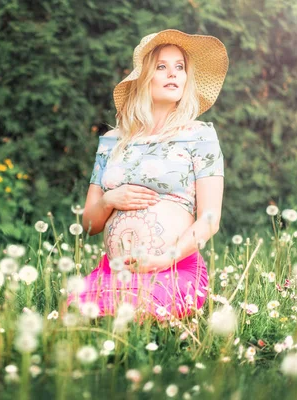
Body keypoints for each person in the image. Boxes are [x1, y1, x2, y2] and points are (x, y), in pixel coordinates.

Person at [67, 29, 229, 321]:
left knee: (139, 314)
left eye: (180, 67)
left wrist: (163, 259)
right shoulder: (111, 141)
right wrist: (107, 201)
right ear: (143, 77)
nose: (173, 74)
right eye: (161, 67)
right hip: (113, 270)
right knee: (78, 315)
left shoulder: (200, 136)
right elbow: (89, 225)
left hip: (174, 268)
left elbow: (210, 220)